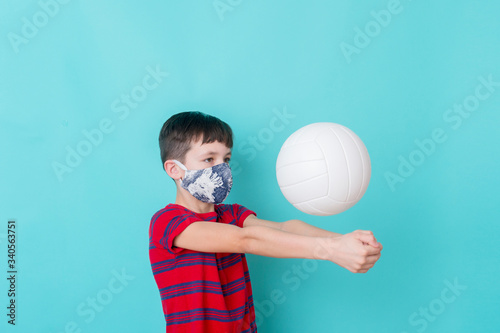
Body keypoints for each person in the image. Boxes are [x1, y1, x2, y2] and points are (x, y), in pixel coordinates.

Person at [149, 111, 383, 333]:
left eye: (226, 159)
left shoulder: (231, 214)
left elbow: (285, 227)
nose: (222, 168)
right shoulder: (167, 222)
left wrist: (342, 241)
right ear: (174, 169)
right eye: (209, 159)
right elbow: (244, 240)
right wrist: (331, 250)